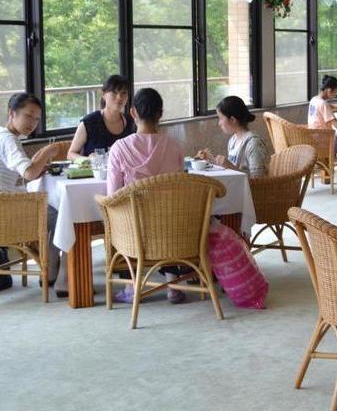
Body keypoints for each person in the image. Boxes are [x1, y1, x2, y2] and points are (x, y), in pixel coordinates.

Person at [106, 88, 187, 304]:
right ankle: (173, 283)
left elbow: (113, 196)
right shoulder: (174, 146)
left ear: (133, 112)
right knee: (165, 216)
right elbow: (179, 185)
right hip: (171, 226)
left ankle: (131, 287)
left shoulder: (119, 148)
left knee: (121, 218)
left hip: (134, 228)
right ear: (160, 114)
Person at [0, 93, 64, 292]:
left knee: (56, 212)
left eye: (36, 119)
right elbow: (28, 172)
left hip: (7, 205)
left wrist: (37, 168)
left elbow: (24, 174)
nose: (32, 123)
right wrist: (48, 151)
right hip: (9, 212)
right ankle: (58, 274)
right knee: (63, 216)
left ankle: (52, 268)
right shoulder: (9, 140)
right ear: (12, 113)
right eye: (28, 116)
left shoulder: (3, 135)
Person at [196, 96, 268, 178]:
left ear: (232, 120)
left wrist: (230, 166)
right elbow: (232, 170)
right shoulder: (233, 140)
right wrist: (211, 160)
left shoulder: (253, 143)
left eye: (220, 118)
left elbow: (258, 179)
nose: (219, 123)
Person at [67, 75, 135, 159]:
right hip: (95, 167)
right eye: (114, 92)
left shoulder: (132, 122)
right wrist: (89, 159)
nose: (119, 97)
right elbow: (70, 154)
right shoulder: (89, 122)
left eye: (123, 93)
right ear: (103, 94)